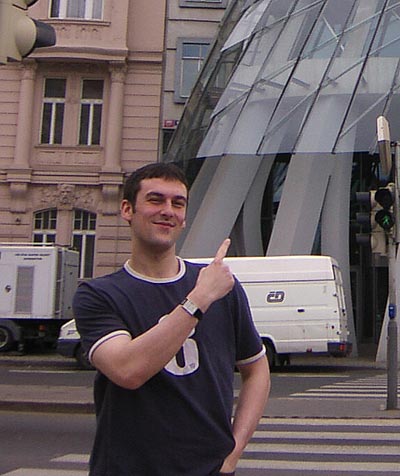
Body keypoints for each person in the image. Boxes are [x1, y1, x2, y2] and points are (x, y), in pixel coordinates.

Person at [73, 162, 270, 476]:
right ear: (127, 209)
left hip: (209, 469)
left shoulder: (223, 288)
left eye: (178, 204)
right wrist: (199, 300)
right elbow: (127, 370)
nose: (168, 211)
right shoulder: (99, 294)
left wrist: (233, 452)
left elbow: (256, 368)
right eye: (155, 200)